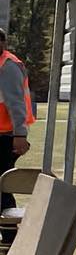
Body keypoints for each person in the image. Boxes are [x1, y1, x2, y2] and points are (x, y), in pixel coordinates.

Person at [0, 28, 35, 210]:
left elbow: (16, 104)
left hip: (6, 136)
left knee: (2, 186)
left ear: (3, 43)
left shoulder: (7, 66)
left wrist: (20, 135)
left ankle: (9, 233)